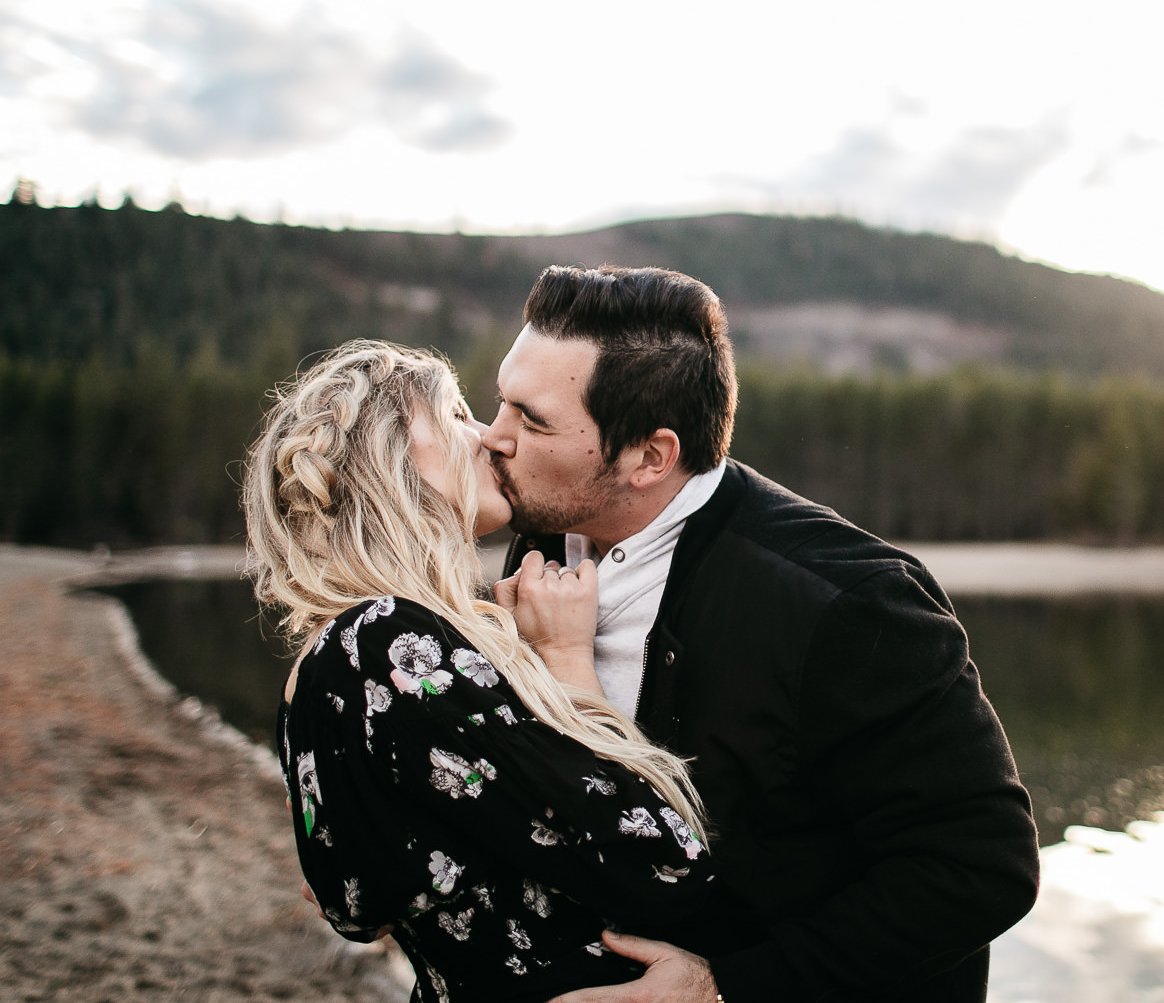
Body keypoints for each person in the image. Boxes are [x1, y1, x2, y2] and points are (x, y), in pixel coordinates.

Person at [484, 265, 1040, 1003]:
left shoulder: (851, 604)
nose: (494, 436)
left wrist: (727, 991)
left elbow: (982, 867)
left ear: (651, 457)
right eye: (501, 401)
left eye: (533, 419)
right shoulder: (549, 532)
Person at [244, 340, 716, 1003]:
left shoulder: (319, 670)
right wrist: (564, 657)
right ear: (395, 462)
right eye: (457, 416)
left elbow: (351, 907)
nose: (490, 438)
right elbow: (666, 864)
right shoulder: (392, 640)